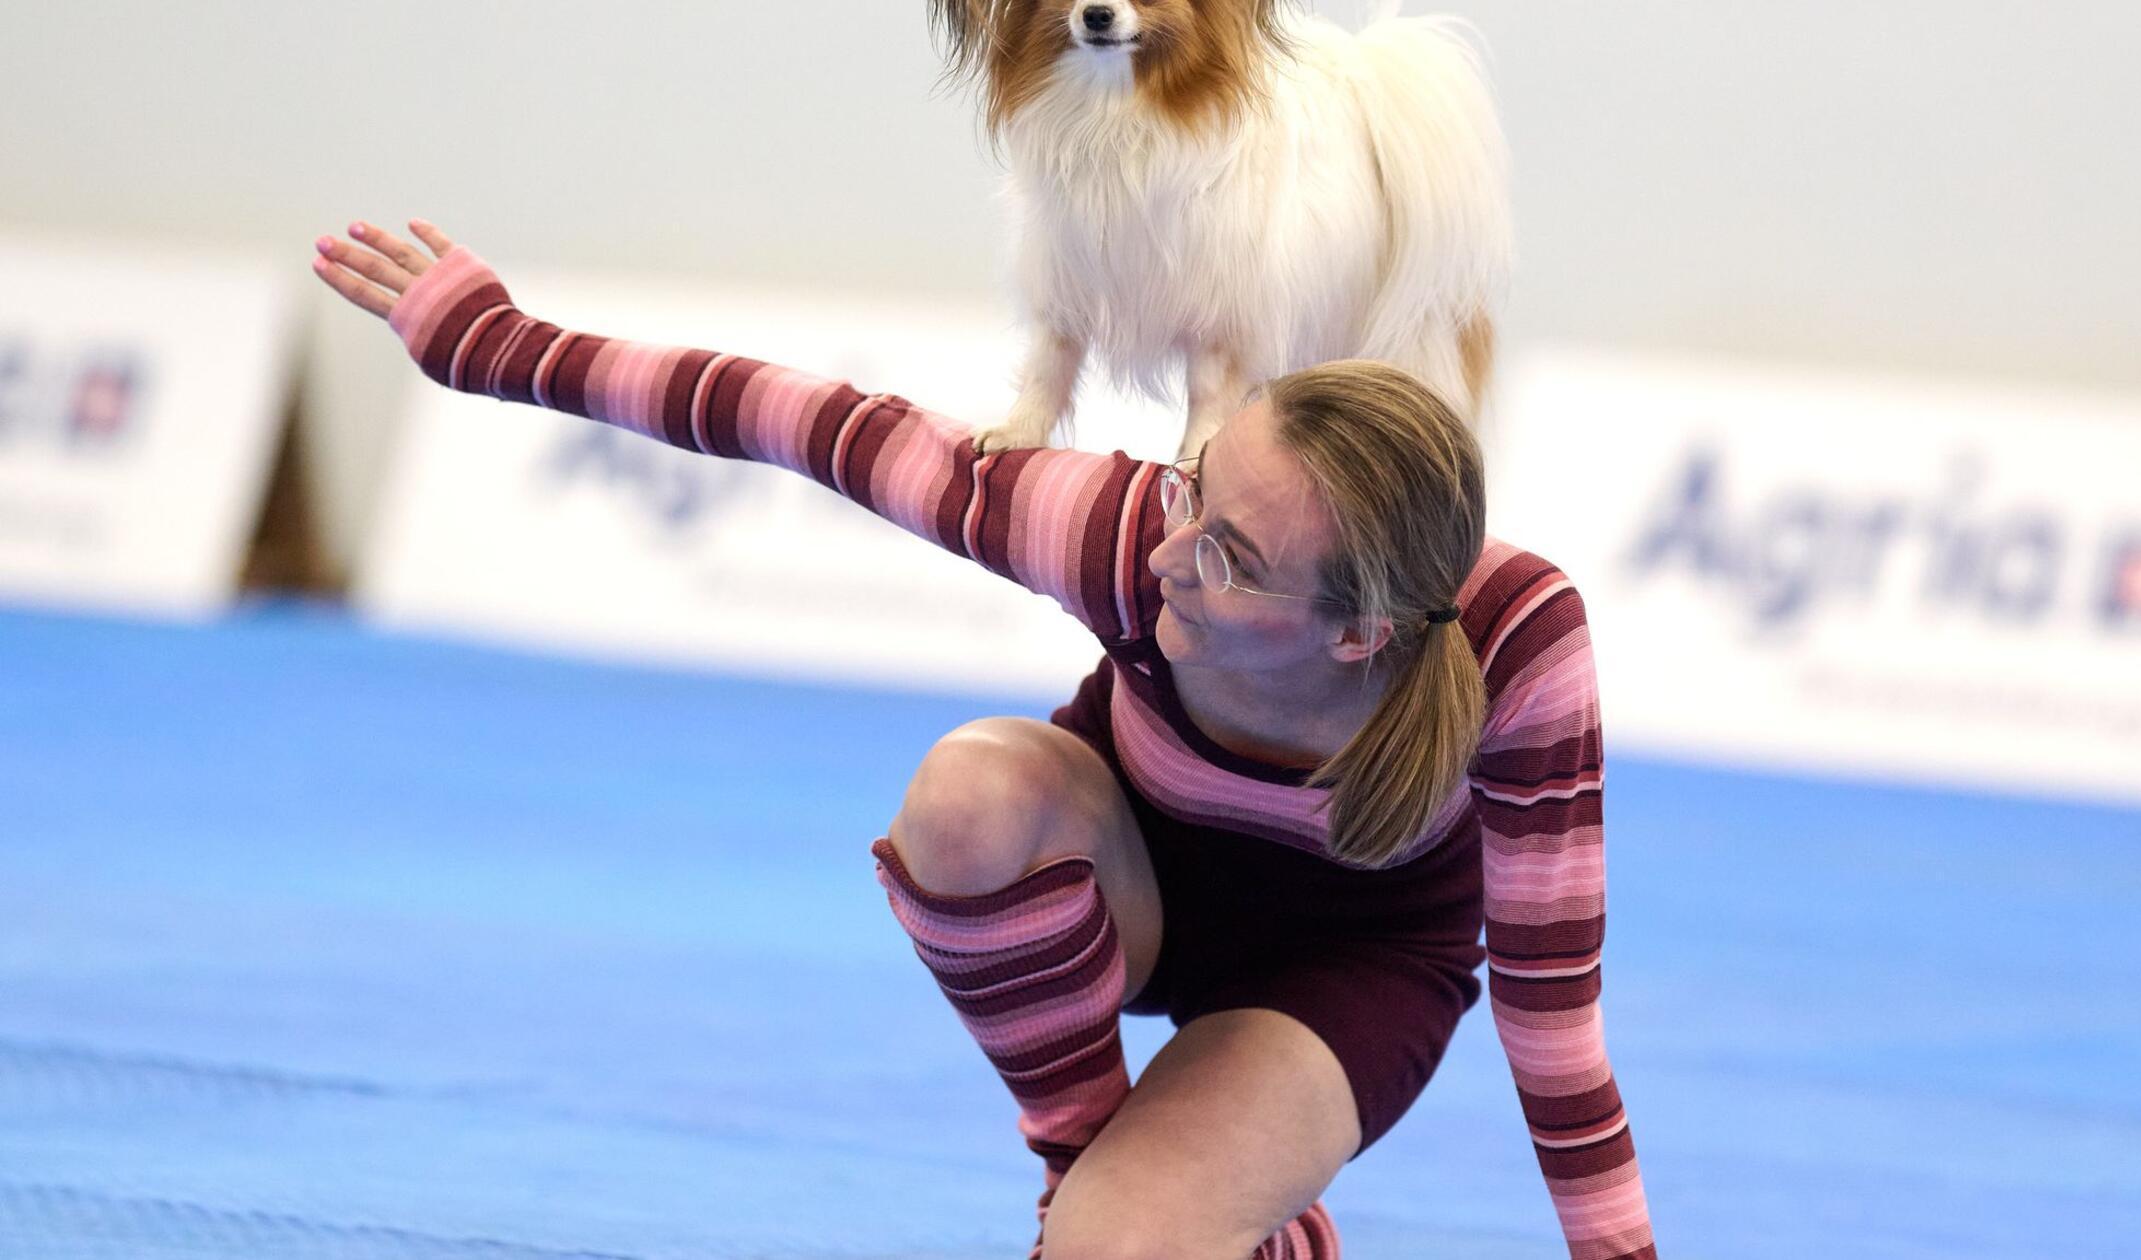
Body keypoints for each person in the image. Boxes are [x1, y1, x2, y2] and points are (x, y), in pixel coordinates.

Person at [311, 219, 1658, 1260]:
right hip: (1121, 887)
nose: (1172, 555)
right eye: (1195, 490)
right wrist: (498, 344)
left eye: (1233, 557)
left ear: (1358, 631)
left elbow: (1555, 1022)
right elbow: (813, 424)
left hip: (1349, 975)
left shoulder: (1518, 648)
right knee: (966, 792)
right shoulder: (1122, 536)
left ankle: (1204, 1212)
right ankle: (1084, 1155)